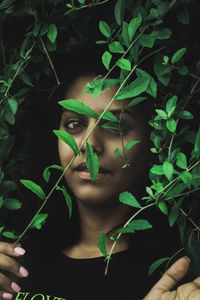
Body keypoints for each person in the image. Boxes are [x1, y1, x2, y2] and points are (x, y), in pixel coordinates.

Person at [0, 54, 199, 300]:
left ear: (155, 143)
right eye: (74, 124)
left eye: (115, 126)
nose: (89, 144)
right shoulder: (15, 265)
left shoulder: (175, 278)